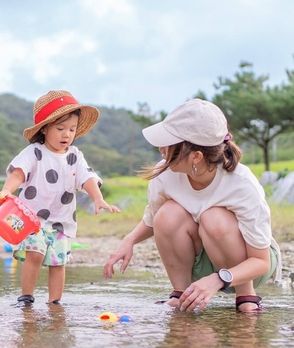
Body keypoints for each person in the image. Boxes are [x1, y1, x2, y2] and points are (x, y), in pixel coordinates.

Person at [103, 99, 281, 313]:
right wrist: (129, 240)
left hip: (249, 267)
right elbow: (154, 220)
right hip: (203, 260)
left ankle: (246, 297)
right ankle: (182, 294)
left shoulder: (241, 184)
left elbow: (260, 262)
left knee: (213, 217)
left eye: (168, 142)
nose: (161, 148)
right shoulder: (165, 174)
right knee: (167, 213)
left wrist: (217, 279)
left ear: (196, 156)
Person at [0, 90, 120, 307]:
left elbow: (88, 177)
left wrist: (98, 198)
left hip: (62, 222)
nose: (67, 135)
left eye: (72, 130)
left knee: (58, 262)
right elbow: (18, 173)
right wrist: (7, 191)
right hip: (31, 220)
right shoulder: (34, 153)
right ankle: (26, 296)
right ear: (44, 129)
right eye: (60, 128)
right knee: (35, 253)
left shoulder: (74, 156)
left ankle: (55, 302)